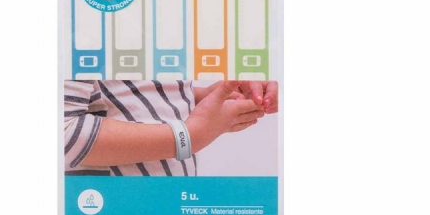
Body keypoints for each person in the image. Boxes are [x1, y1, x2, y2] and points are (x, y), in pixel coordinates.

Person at [64, 79, 278, 176]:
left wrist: (202, 98)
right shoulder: (80, 23)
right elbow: (65, 134)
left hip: (162, 208)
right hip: (112, 213)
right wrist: (188, 137)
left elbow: (135, 94)